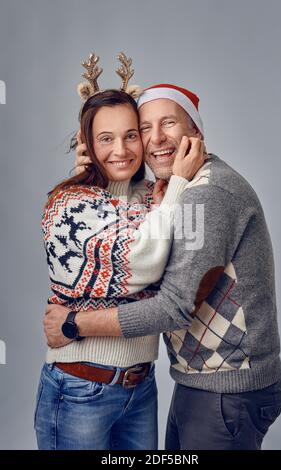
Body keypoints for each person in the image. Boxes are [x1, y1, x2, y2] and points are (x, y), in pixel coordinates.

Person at [45, 82, 281, 450]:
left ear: (195, 132)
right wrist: (96, 175)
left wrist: (75, 323)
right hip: (201, 385)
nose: (155, 138)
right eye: (144, 128)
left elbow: (175, 305)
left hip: (225, 390)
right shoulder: (173, 190)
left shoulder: (204, 195)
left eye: (169, 123)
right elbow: (116, 224)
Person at [35, 55, 205, 451]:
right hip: (80, 389)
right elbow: (143, 260)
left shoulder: (153, 195)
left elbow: (184, 250)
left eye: (131, 135)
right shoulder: (67, 203)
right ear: (87, 144)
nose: (121, 149)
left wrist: (174, 180)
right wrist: (177, 184)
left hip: (141, 386)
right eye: (105, 139)